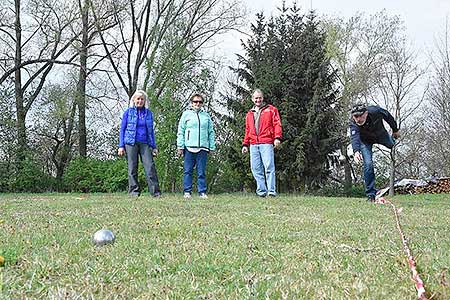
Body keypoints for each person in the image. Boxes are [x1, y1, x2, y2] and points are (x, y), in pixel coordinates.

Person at [349, 103, 400, 202]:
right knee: (368, 164)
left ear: (366, 113)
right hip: (365, 141)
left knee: (391, 144)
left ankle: (392, 139)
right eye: (356, 116)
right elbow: (354, 137)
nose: (358, 119)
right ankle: (371, 195)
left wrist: (395, 130)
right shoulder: (353, 123)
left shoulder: (375, 111)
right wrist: (356, 152)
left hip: (381, 135)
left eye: (361, 115)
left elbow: (388, 116)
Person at [118, 90, 161, 197]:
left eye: (142, 99)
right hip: (130, 143)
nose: (140, 101)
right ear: (134, 100)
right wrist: (121, 146)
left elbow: (151, 132)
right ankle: (134, 192)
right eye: (138, 99)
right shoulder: (128, 112)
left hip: (145, 143)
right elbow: (122, 129)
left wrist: (154, 147)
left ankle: (155, 192)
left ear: (144, 101)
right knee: (132, 167)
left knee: (150, 167)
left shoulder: (148, 113)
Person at [242, 89, 282, 197]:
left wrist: (277, 137)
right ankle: (261, 191)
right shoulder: (249, 114)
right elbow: (247, 130)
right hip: (253, 144)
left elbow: (277, 124)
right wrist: (245, 144)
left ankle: (271, 192)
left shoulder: (271, 110)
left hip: (266, 142)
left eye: (259, 98)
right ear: (252, 99)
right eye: (256, 98)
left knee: (269, 167)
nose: (258, 100)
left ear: (262, 98)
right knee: (255, 168)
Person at [177, 93, 216, 199]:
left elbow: (211, 132)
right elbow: (181, 130)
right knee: (187, 170)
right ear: (191, 103)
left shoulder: (206, 116)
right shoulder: (186, 115)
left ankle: (202, 192)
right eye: (195, 101)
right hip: (189, 147)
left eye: (200, 102)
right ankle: (187, 191)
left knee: (201, 171)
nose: (197, 103)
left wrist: (212, 147)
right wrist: (180, 146)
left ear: (202, 103)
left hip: (203, 147)